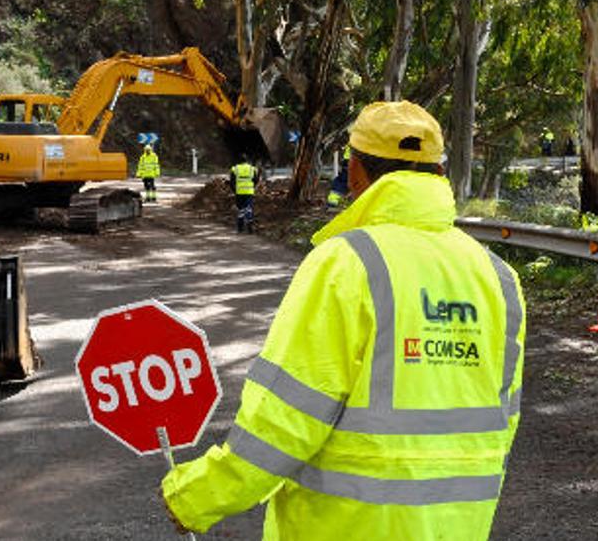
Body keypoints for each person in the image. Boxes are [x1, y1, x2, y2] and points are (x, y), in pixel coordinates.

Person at [162, 101, 526, 540]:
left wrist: (196, 497)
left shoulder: (346, 264)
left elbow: (284, 421)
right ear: (441, 175)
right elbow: (501, 424)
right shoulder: (500, 279)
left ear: (355, 172)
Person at [229, 156, 259, 233]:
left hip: (239, 192)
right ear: (247, 161)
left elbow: (232, 182)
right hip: (249, 192)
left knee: (241, 209)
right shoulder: (252, 169)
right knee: (249, 208)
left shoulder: (235, 169)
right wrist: (252, 187)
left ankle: (240, 228)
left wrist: (234, 191)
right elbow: (256, 180)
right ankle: (250, 227)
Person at [327, 144, 350, 208]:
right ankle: (334, 199)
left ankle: (334, 199)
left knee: (343, 179)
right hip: (352, 159)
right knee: (344, 180)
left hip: (349, 159)